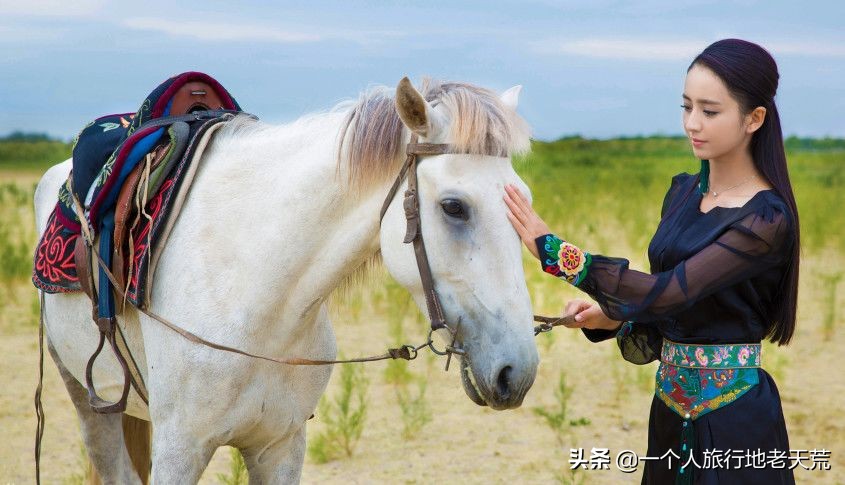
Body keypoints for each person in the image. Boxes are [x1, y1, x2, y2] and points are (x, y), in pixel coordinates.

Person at [504, 38, 799, 484]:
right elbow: (678, 306)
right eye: (686, 107)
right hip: (668, 410)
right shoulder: (682, 193)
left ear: (753, 118)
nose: (692, 123)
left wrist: (555, 253)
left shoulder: (766, 219)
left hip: (735, 418)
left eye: (710, 111)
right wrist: (613, 318)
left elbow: (669, 292)